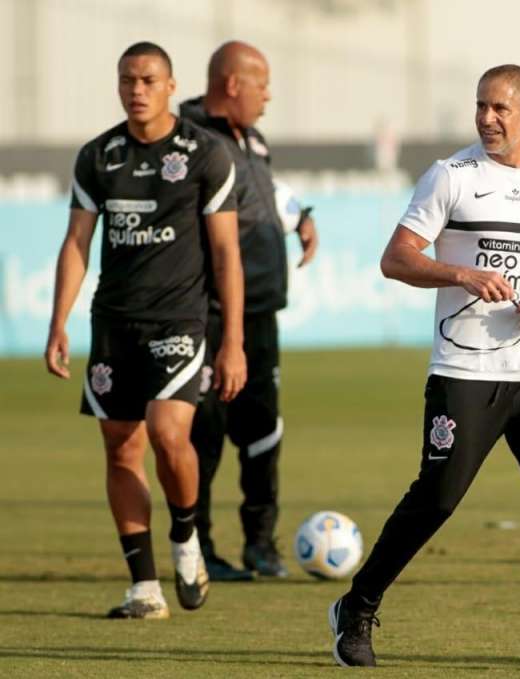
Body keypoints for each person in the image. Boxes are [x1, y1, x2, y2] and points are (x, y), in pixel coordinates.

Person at [325, 65, 520, 673]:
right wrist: (459, 272)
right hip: (463, 370)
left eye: (501, 109)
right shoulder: (450, 177)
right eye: (481, 107)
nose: (488, 119)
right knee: (436, 500)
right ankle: (356, 607)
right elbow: (396, 259)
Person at [44, 42, 247, 618]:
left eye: (149, 79)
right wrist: (59, 322)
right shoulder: (97, 156)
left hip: (180, 319)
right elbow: (77, 242)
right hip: (113, 322)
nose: (137, 89)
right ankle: (145, 588)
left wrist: (231, 341)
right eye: (128, 79)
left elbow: (227, 255)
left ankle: (186, 536)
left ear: (169, 84)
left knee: (167, 431)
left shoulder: (205, 154)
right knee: (120, 447)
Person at [181, 41, 319, 581]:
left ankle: (261, 545)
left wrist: (300, 215)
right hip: (208, 312)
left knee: (263, 431)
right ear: (233, 84)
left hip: (260, 309)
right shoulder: (188, 138)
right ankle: (200, 549)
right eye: (261, 83)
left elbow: (265, 194)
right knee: (204, 434)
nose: (269, 94)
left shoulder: (252, 137)